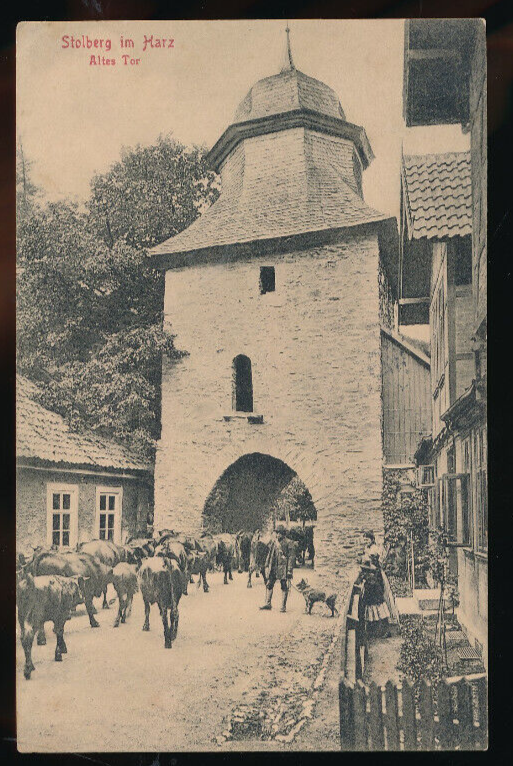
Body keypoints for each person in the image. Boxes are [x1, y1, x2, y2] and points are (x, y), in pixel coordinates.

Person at [359, 530, 392, 638]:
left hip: (375, 578)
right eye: (365, 539)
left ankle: (386, 629)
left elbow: (374, 566)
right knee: (370, 603)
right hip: (370, 578)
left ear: (372, 539)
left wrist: (367, 562)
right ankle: (373, 630)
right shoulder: (367, 548)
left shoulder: (374, 549)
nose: (366, 541)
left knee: (378, 602)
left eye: (367, 539)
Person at [260, 524, 295, 613]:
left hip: (283, 568)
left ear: (283, 534)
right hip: (274, 567)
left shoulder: (289, 543)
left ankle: (283, 606)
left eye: (279, 533)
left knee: (283, 586)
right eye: (277, 533)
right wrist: (266, 565)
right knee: (269, 584)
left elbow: (291, 557)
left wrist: (289, 570)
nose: (278, 535)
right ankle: (268, 603)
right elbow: (270, 554)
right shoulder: (274, 542)